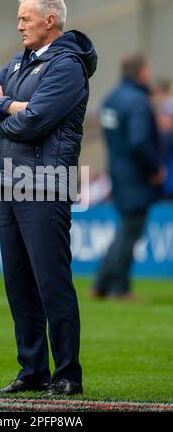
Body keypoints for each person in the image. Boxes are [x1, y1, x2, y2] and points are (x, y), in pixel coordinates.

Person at [0, 0, 97, 396]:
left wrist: (3, 109)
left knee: (50, 281)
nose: (19, 24)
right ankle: (33, 370)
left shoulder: (67, 67)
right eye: (20, 18)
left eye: (26, 18)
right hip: (7, 181)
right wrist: (10, 106)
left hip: (44, 183)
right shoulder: (18, 63)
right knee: (19, 284)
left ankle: (67, 373)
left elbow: (36, 122)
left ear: (50, 22)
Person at [91, 53, 164, 300]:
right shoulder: (137, 101)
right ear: (141, 72)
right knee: (131, 230)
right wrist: (154, 169)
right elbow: (140, 141)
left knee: (125, 228)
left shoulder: (111, 98)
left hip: (118, 170)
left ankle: (101, 283)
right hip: (136, 175)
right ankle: (118, 288)